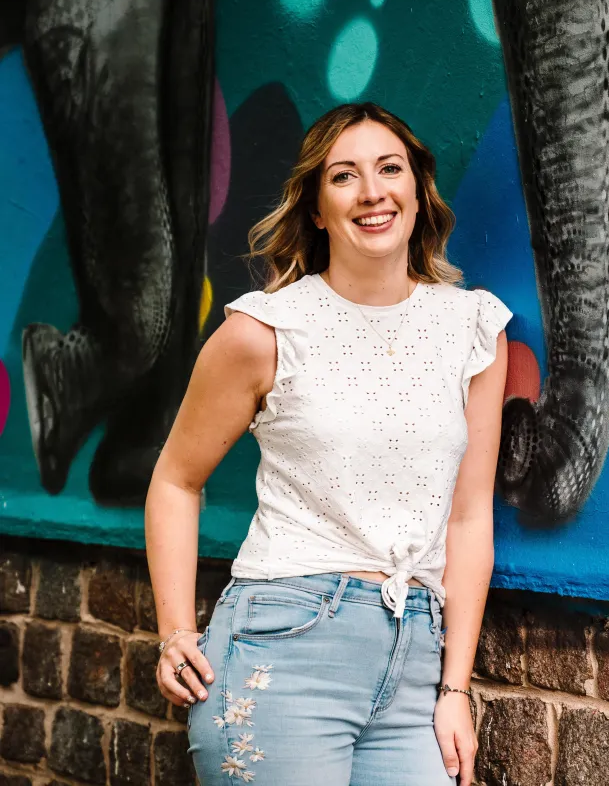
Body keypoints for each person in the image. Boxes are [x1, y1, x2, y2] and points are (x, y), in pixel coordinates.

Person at [144, 102, 509, 785]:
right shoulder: (264, 331)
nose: (372, 192)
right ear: (316, 208)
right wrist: (174, 632)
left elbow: (468, 519)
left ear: (417, 190)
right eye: (344, 177)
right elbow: (175, 479)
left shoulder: (475, 332)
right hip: (284, 648)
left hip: (416, 660)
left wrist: (455, 689)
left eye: (389, 169)